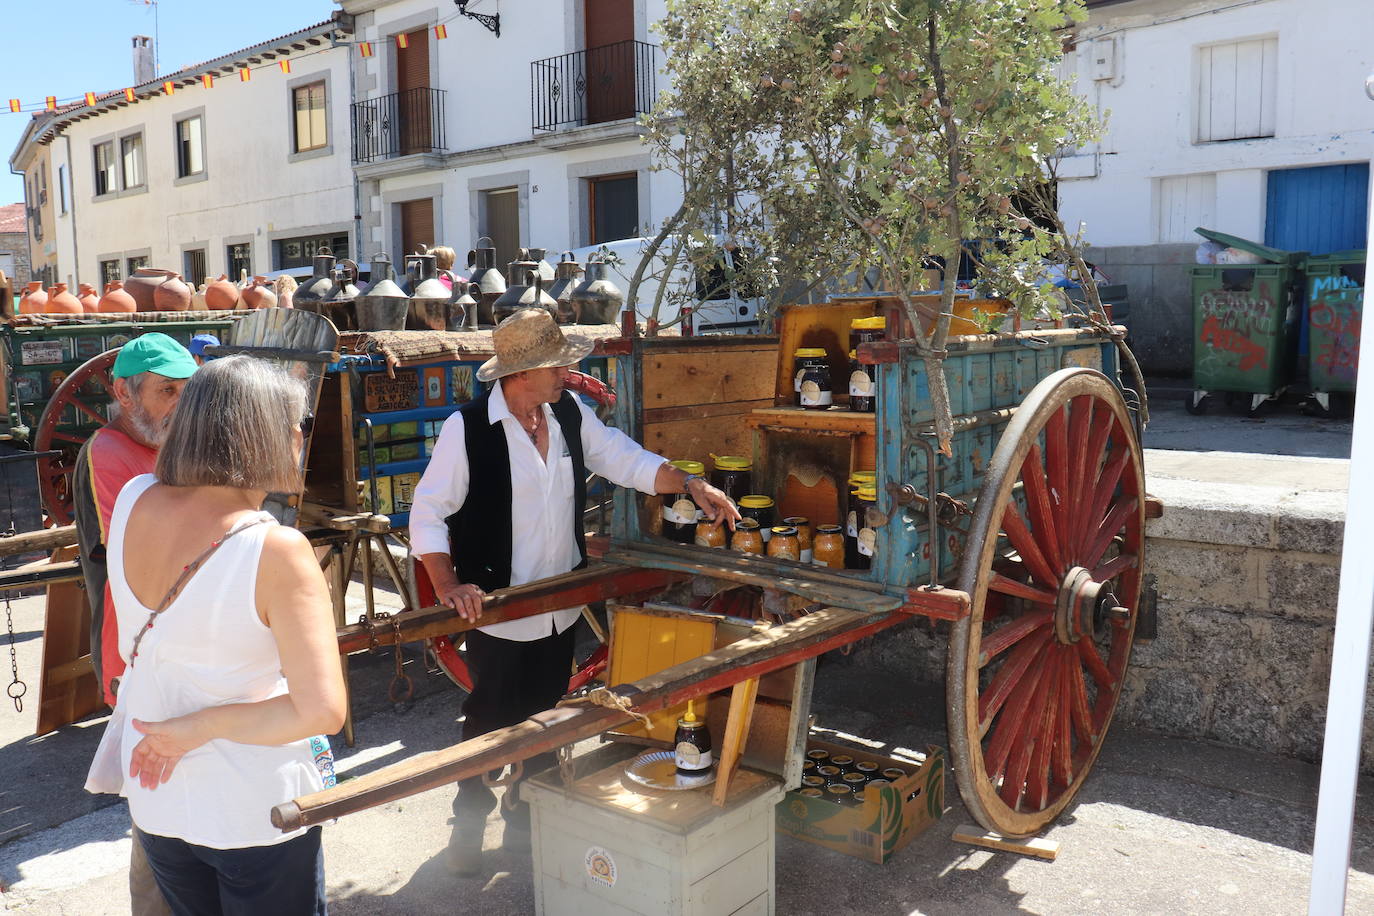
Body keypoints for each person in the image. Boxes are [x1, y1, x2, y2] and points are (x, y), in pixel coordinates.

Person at [409, 308, 739, 876]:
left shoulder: (565, 412)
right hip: (498, 609)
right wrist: (446, 583)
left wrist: (687, 482)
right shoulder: (467, 430)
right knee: (488, 719)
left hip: (559, 606)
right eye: (556, 363)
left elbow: (622, 458)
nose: (568, 370)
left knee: (545, 718)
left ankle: (524, 821)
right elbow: (428, 511)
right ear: (520, 374)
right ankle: (468, 820)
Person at [85, 354, 346, 915]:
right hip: (254, 810)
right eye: (298, 424)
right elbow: (322, 711)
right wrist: (197, 728)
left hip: (159, 797)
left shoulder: (133, 498)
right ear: (263, 433)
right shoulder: (276, 549)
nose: (302, 438)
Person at [73, 333, 198, 915]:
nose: (179, 403)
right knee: (157, 814)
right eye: (166, 390)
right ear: (124, 392)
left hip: (181, 653)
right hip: (136, 659)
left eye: (186, 391)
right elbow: (145, 557)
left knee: (186, 802)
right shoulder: (108, 451)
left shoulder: (169, 447)